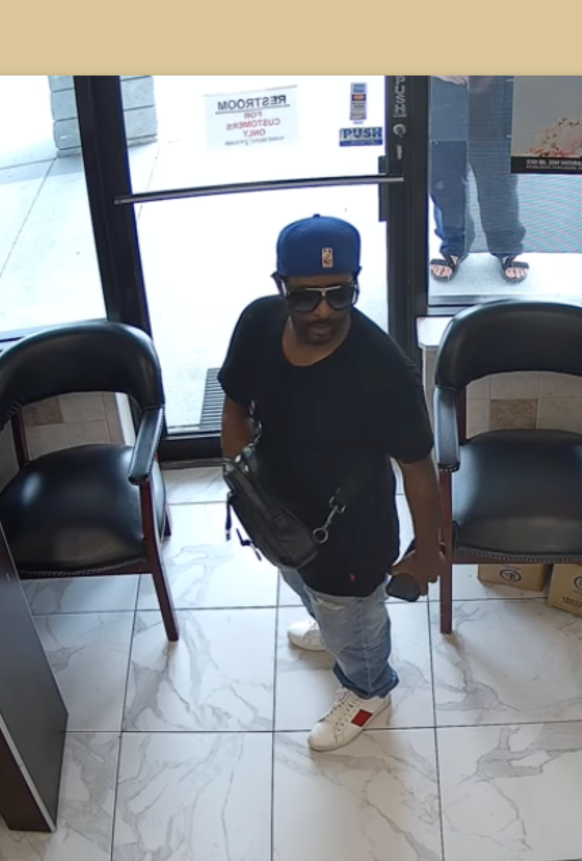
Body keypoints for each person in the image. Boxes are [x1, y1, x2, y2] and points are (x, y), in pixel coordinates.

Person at [219, 215, 445, 752]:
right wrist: (240, 478)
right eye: (306, 297)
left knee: (353, 612)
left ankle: (369, 688)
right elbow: (235, 398)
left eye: (339, 294)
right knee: (306, 586)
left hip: (350, 533)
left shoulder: (382, 369)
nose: (323, 310)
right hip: (277, 512)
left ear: (356, 284)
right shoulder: (257, 323)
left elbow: (417, 465)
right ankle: (333, 627)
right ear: (281, 287)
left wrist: (428, 548)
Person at [428, 76, 528, 284]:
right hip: (441, 101)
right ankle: (454, 245)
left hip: (495, 96)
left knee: (498, 182)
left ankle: (506, 246)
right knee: (446, 185)